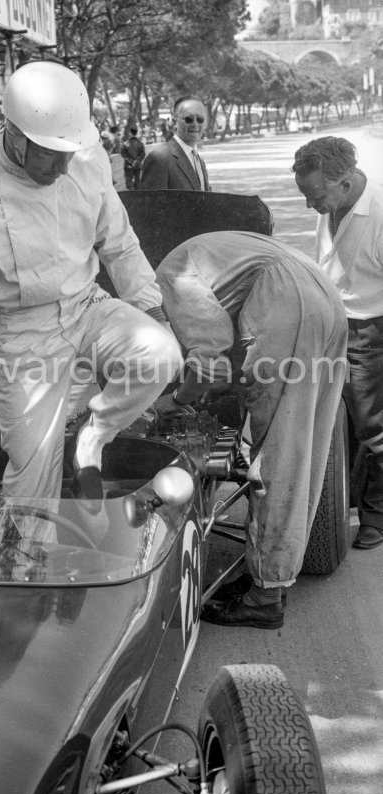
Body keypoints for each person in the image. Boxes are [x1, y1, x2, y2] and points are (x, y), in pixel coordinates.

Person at [0, 61, 182, 500]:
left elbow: (121, 246)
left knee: (160, 354)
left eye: (68, 153)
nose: (61, 167)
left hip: (88, 306)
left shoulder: (87, 164)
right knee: (32, 474)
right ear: (13, 136)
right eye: (50, 154)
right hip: (22, 333)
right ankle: (29, 557)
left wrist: (153, 312)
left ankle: (96, 434)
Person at [154, 231, 348, 629]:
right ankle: (266, 572)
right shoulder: (198, 253)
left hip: (287, 301)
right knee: (303, 446)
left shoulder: (169, 275)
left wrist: (176, 399)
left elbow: (209, 351)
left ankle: (265, 597)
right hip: (323, 297)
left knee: (278, 453)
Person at [292, 136, 383, 551]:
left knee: (372, 425)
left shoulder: (379, 213)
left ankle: (376, 516)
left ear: (345, 182)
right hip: (336, 323)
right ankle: (338, 505)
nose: (312, 206)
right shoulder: (331, 201)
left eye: (316, 197)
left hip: (372, 330)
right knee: (332, 419)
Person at [140, 96, 211, 191]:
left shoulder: (199, 161)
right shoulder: (159, 158)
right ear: (174, 121)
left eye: (200, 119)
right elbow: (152, 204)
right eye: (189, 119)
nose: (195, 124)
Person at [121, 126, 145, 190]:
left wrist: (131, 162)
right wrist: (136, 161)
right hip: (138, 166)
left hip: (128, 166)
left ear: (130, 133)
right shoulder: (140, 144)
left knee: (129, 183)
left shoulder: (125, 144)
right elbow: (142, 154)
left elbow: (123, 154)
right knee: (137, 183)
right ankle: (138, 197)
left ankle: (130, 197)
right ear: (136, 133)